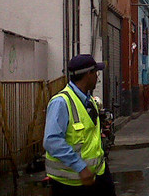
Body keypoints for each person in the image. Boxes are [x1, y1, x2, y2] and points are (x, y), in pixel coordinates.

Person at [43, 54, 115, 196]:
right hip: (72, 184)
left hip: (97, 175)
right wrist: (81, 167)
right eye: (96, 73)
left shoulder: (89, 101)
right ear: (89, 74)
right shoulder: (61, 102)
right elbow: (52, 141)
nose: (97, 77)